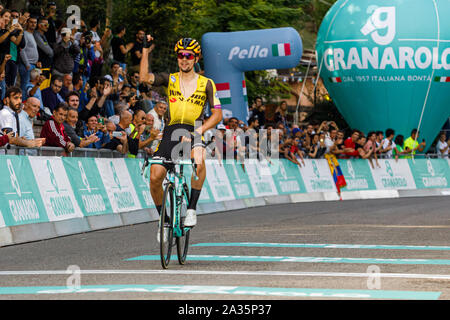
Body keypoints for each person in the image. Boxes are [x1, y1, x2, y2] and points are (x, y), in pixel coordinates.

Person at [140, 36, 222, 235]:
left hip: (195, 128)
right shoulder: (171, 79)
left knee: (199, 160)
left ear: (196, 58)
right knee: (155, 176)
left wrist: (199, 131)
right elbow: (144, 79)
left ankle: (192, 208)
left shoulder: (207, 83)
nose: (184, 59)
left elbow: (217, 114)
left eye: (189, 56)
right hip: (171, 130)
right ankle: (164, 220)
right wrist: (144, 50)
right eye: (180, 55)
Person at [18, 15, 39, 96]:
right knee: (24, 87)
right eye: (31, 22)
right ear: (27, 23)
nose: (33, 24)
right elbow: (22, 49)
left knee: (29, 88)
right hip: (26, 65)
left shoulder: (32, 34)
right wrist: (27, 64)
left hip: (32, 65)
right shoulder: (25, 33)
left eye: (35, 23)